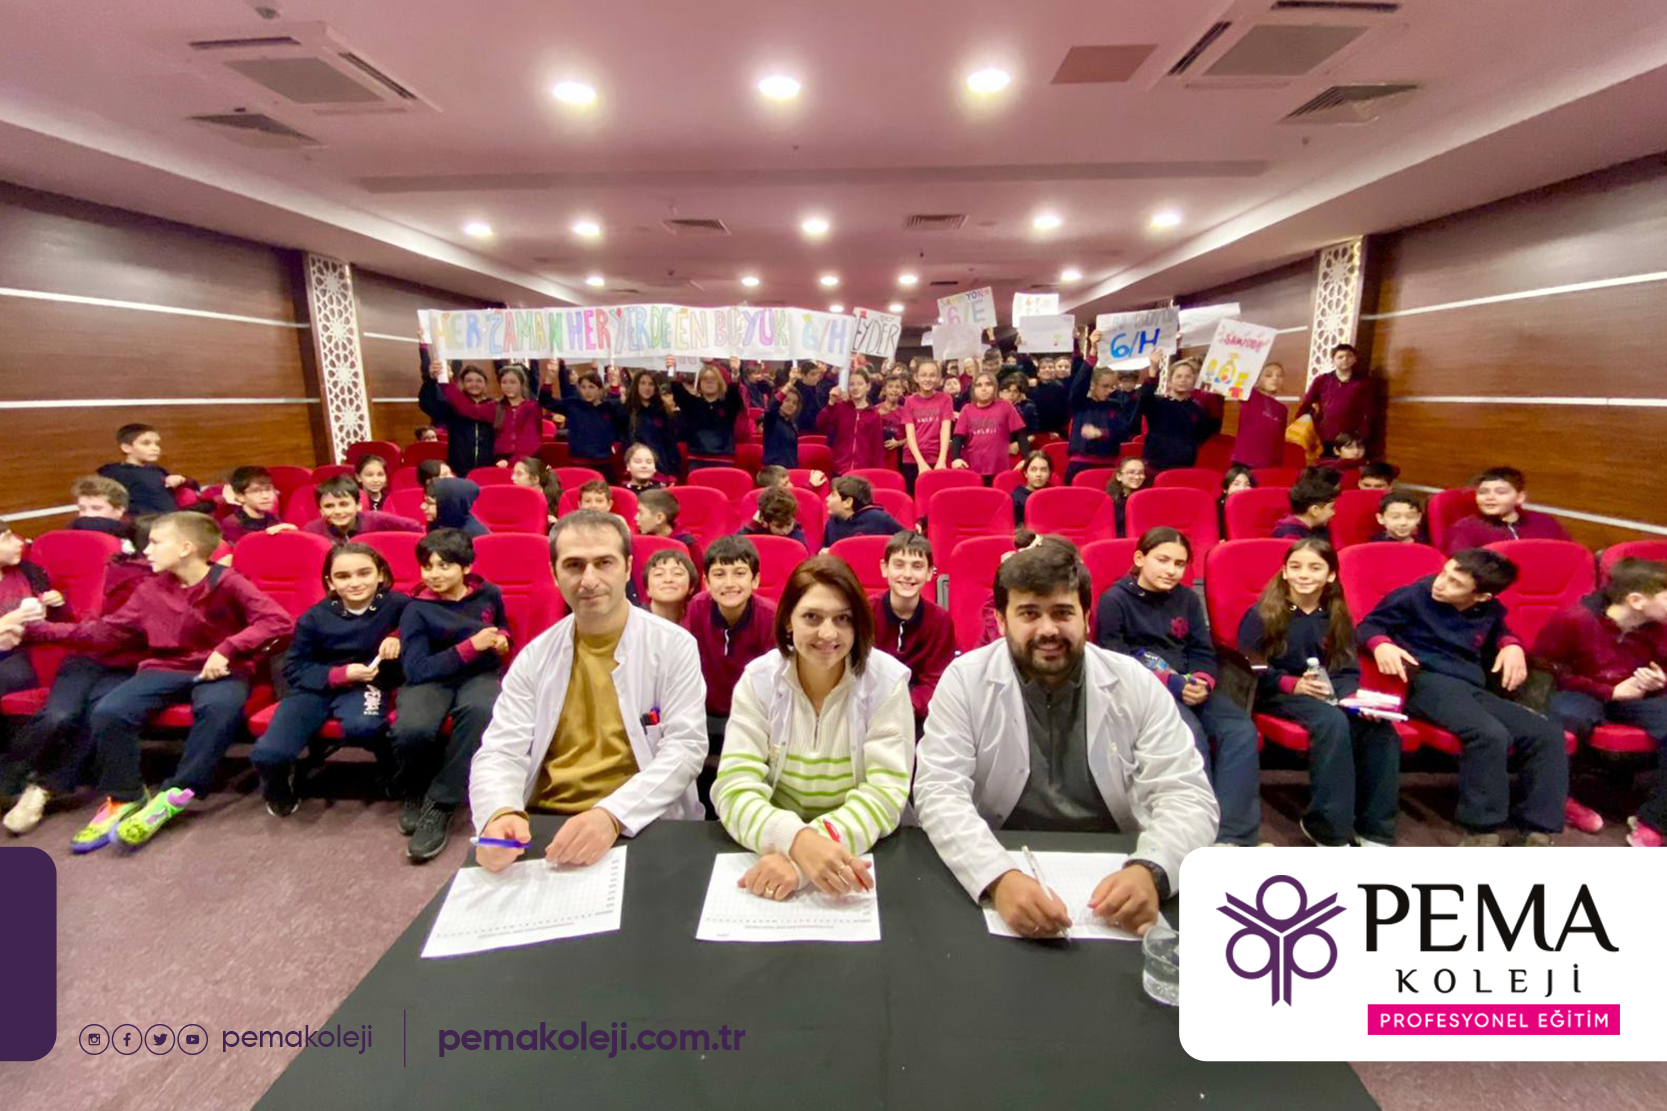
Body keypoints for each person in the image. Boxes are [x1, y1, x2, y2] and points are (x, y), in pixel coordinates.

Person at [914, 540, 1218, 938]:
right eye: (1029, 613)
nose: (1048, 630)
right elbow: (939, 790)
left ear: (1086, 618)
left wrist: (1152, 870)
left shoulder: (1134, 683)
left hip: (1117, 864)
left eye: (1062, 613)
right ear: (1001, 621)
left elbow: (1188, 795)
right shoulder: (966, 680)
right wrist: (996, 877)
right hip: (1002, 854)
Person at [23, 513, 292, 851]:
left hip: (222, 671)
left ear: (186, 548)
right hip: (165, 668)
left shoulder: (228, 581)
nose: (146, 550)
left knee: (219, 709)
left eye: (155, 542)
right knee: (110, 710)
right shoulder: (150, 588)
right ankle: (126, 795)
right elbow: (105, 631)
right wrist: (38, 630)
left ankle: (177, 792)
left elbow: (277, 621)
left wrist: (227, 648)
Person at [470, 510, 707, 874]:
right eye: (574, 565)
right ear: (554, 574)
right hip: (548, 820)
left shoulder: (673, 646)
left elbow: (686, 748)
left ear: (628, 568)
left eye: (604, 563)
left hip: (642, 818)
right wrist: (499, 811)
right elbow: (500, 750)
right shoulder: (535, 657)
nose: (589, 579)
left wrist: (612, 815)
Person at [715, 556, 913, 898]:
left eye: (843, 618)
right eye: (812, 617)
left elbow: (885, 794)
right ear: (787, 621)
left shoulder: (886, 683)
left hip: (859, 853)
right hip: (770, 849)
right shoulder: (758, 681)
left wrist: (804, 858)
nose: (828, 633)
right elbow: (734, 788)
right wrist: (796, 841)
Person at [1359, 548, 1567, 845]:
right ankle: (1482, 830)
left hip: (1470, 686)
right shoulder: (1414, 595)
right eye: (1444, 573)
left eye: (1455, 583)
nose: (1440, 583)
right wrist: (1381, 644)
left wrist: (1511, 645)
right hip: (1425, 682)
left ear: (1482, 596)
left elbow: (1501, 631)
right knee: (1488, 734)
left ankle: (1538, 829)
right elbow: (1368, 626)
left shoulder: (1490, 609)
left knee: (1546, 734)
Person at [1094, 527, 1263, 845]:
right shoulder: (1115, 600)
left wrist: (1203, 680)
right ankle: (1197, 831)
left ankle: (1233, 836)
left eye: (1180, 564)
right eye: (1163, 560)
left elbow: (1202, 650)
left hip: (1191, 685)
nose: (1171, 570)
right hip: (1146, 690)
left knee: (1240, 731)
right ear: (1140, 558)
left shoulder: (1186, 599)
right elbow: (1113, 659)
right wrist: (1172, 684)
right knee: (1189, 734)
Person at [1237, 539, 1401, 846]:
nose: (1304, 574)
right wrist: (1292, 684)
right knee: (1332, 722)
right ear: (1285, 572)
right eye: (1296, 567)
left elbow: (1346, 670)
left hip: (1328, 692)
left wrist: (1352, 698)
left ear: (1331, 575)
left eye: (1315, 568)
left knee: (1379, 728)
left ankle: (1374, 829)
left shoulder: (1337, 615)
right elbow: (1248, 666)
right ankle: (1327, 828)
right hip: (1277, 693)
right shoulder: (1262, 614)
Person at [0, 517, 159, 832]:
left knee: (97, 714)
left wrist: (43, 619)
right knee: (58, 715)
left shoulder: (197, 585)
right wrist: (35, 626)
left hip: (129, 665)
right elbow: (98, 627)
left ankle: (41, 788)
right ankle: (10, 777)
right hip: (87, 654)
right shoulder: (125, 574)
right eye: (150, 544)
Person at [250, 543, 408, 817]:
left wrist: (397, 636)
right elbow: (294, 668)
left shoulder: (398, 605)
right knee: (269, 753)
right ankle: (278, 789)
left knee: (365, 726)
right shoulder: (314, 617)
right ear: (330, 582)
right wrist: (340, 674)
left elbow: (425, 618)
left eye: (364, 573)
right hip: (313, 688)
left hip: (366, 685)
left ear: (380, 574)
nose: (355, 583)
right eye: (343, 576)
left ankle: (392, 769)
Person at [391, 528, 508, 862]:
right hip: (430, 679)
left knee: (482, 713)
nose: (434, 574)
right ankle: (415, 789)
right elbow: (416, 669)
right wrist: (470, 647)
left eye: (444, 566)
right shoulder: (415, 608)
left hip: (478, 675)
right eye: (427, 567)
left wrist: (503, 638)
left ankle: (441, 801)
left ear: (466, 567)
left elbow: (501, 624)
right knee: (413, 729)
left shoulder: (488, 593)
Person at [1534, 557, 1667, 847]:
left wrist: (1661, 680)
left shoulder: (1660, 626)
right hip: (1583, 690)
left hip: (1639, 695)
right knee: (1565, 718)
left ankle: (1654, 820)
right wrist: (1609, 691)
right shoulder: (1575, 619)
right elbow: (1546, 668)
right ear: (1636, 601)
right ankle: (1557, 799)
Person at [681, 536, 776, 812]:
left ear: (755, 580)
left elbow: (774, 684)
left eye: (739, 573)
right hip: (704, 713)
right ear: (706, 581)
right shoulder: (697, 608)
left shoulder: (769, 617)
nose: (730, 583)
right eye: (719, 574)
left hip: (751, 716)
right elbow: (685, 668)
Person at [872, 530, 954, 728]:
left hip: (918, 715)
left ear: (929, 573)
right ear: (884, 568)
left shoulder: (940, 621)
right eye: (899, 565)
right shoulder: (865, 613)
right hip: (869, 708)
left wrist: (904, 707)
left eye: (917, 566)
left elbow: (935, 682)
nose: (907, 574)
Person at [0, 525, 66, 701]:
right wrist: (7, 622)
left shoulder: (28, 571)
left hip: (29, 650)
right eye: (7, 539)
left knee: (15, 675)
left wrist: (56, 602)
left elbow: (56, 622)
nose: (19, 543)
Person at [1443, 466, 1570, 552]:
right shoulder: (1464, 529)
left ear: (1520, 497)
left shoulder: (1543, 521)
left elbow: (1569, 553)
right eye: (1483, 492)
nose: (1490, 497)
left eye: (1501, 492)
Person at [418, 351, 497, 475]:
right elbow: (428, 405)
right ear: (462, 384)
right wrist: (430, 381)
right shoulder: (453, 406)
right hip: (459, 469)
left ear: (485, 384)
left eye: (479, 381)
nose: (474, 384)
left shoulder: (496, 407)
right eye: (469, 380)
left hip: (489, 468)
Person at [1137, 359, 1220, 473]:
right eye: (1178, 376)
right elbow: (1145, 397)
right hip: (1154, 465)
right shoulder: (1157, 404)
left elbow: (1205, 432)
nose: (1183, 380)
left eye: (1188, 376)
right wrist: (1153, 371)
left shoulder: (1197, 410)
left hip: (1184, 466)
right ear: (1170, 381)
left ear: (1194, 381)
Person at [541, 365, 625, 478]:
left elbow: (620, 411)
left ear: (599, 389)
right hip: (578, 462)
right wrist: (549, 379)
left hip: (603, 463)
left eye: (591, 387)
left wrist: (615, 387)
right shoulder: (574, 405)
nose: (587, 391)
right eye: (583, 387)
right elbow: (546, 402)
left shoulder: (607, 407)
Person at [1065, 357, 1138, 482]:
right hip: (1081, 464)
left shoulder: (1116, 405)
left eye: (1112, 387)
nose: (1109, 391)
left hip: (1109, 463)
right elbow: (1079, 385)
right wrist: (1091, 360)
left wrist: (1102, 433)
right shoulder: (1080, 403)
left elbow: (1124, 432)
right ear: (1092, 385)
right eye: (1105, 386)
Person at [1296, 343, 1377, 450]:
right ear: (1333, 360)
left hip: (1350, 438)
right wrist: (1298, 426)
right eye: (1340, 357)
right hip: (1324, 435)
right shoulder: (1322, 380)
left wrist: (1362, 433)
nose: (1345, 359)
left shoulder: (1364, 382)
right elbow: (1306, 404)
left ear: (1355, 359)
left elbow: (1369, 410)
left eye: (1349, 356)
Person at [952, 370, 1029, 481]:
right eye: (979, 385)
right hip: (972, 469)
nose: (984, 388)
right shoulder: (967, 410)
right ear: (973, 389)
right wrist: (955, 458)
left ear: (995, 387)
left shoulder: (1005, 406)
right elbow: (958, 437)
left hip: (1000, 469)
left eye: (988, 384)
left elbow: (1021, 433)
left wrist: (1026, 458)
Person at [98, 423, 190, 516]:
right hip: (142, 521)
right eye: (146, 443)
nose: (155, 448)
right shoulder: (117, 473)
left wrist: (180, 480)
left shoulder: (158, 471)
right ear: (126, 448)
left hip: (169, 518)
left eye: (157, 444)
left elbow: (189, 488)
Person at [671, 362, 744, 469]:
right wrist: (672, 370)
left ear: (719, 382)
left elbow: (734, 392)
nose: (709, 382)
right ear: (699, 383)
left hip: (723, 459)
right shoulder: (692, 404)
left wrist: (735, 373)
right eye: (705, 379)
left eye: (713, 378)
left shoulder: (728, 404)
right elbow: (678, 391)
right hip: (697, 459)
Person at [304, 476, 422, 541]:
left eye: (344, 504)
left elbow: (415, 528)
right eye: (329, 506)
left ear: (358, 505)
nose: (338, 511)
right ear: (321, 510)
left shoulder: (378, 520)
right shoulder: (312, 531)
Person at [817, 367, 886, 473]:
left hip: (863, 471)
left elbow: (877, 449)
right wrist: (830, 403)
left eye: (860, 384)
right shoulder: (840, 408)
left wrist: (877, 473)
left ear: (867, 386)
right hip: (839, 469)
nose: (855, 388)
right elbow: (821, 425)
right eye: (851, 384)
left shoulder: (874, 415)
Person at [901, 360, 954, 492]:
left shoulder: (946, 399)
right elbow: (910, 435)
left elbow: (945, 431)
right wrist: (921, 463)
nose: (928, 379)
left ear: (938, 378)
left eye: (932, 375)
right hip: (913, 459)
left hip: (937, 457)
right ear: (916, 377)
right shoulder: (909, 401)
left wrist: (941, 461)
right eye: (923, 375)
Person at [623, 370, 682, 479]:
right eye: (643, 383)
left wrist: (673, 471)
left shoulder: (663, 412)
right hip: (634, 468)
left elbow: (670, 443)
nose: (647, 388)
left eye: (651, 384)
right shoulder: (625, 411)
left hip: (660, 468)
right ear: (636, 386)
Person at [1231, 361, 1290, 468]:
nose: (1275, 378)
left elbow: (1279, 443)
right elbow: (1234, 384)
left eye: (1279, 376)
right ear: (1258, 379)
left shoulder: (1282, 409)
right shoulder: (1249, 395)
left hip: (1267, 466)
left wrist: (1277, 467)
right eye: (1268, 375)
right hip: (1243, 461)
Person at [821, 477, 904, 547]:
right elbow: (825, 545)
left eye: (833, 495)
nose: (827, 498)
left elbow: (904, 541)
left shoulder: (879, 519)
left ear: (848, 502)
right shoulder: (833, 520)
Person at [217, 466, 286, 543]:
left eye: (268, 489)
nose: (265, 496)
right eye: (256, 491)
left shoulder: (272, 519)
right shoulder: (232, 523)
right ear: (240, 497)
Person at [737, 487, 808, 550]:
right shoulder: (756, 531)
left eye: (789, 524)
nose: (785, 531)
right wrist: (753, 524)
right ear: (765, 523)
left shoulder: (796, 536)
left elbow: (805, 555)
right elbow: (735, 545)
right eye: (779, 526)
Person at [641, 547, 697, 624]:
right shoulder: (633, 621)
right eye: (659, 574)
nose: (668, 579)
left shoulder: (700, 622)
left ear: (691, 587)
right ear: (647, 589)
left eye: (677, 573)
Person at [1271, 475, 1338, 540]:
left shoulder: (1320, 528)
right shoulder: (1288, 534)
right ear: (1315, 510)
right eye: (1331, 508)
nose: (1333, 513)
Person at [69, 475, 133, 543]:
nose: (87, 514)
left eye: (96, 508)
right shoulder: (70, 537)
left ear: (119, 510)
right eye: (82, 508)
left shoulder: (134, 542)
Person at [511, 455, 563, 527]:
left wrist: (557, 524)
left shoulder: (557, 499)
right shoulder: (512, 499)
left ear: (535, 479)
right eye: (513, 473)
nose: (512, 477)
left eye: (519, 474)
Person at [762, 383, 803, 468]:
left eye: (794, 403)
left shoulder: (792, 425)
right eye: (787, 400)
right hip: (773, 470)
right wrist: (789, 384)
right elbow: (772, 406)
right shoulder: (771, 419)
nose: (791, 404)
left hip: (790, 469)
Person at [1105, 456, 1146, 537]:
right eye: (1131, 472)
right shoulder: (1110, 501)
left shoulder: (1146, 498)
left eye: (1141, 473)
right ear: (1119, 476)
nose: (1137, 477)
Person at [1011, 450, 1053, 527]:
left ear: (1049, 473)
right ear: (1026, 473)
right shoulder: (1016, 497)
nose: (1038, 474)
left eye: (1043, 470)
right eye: (1033, 469)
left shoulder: (1054, 495)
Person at [1218, 464, 1256, 537]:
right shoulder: (1217, 509)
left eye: (1247, 484)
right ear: (1225, 489)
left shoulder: (1257, 507)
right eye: (1236, 484)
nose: (1242, 488)